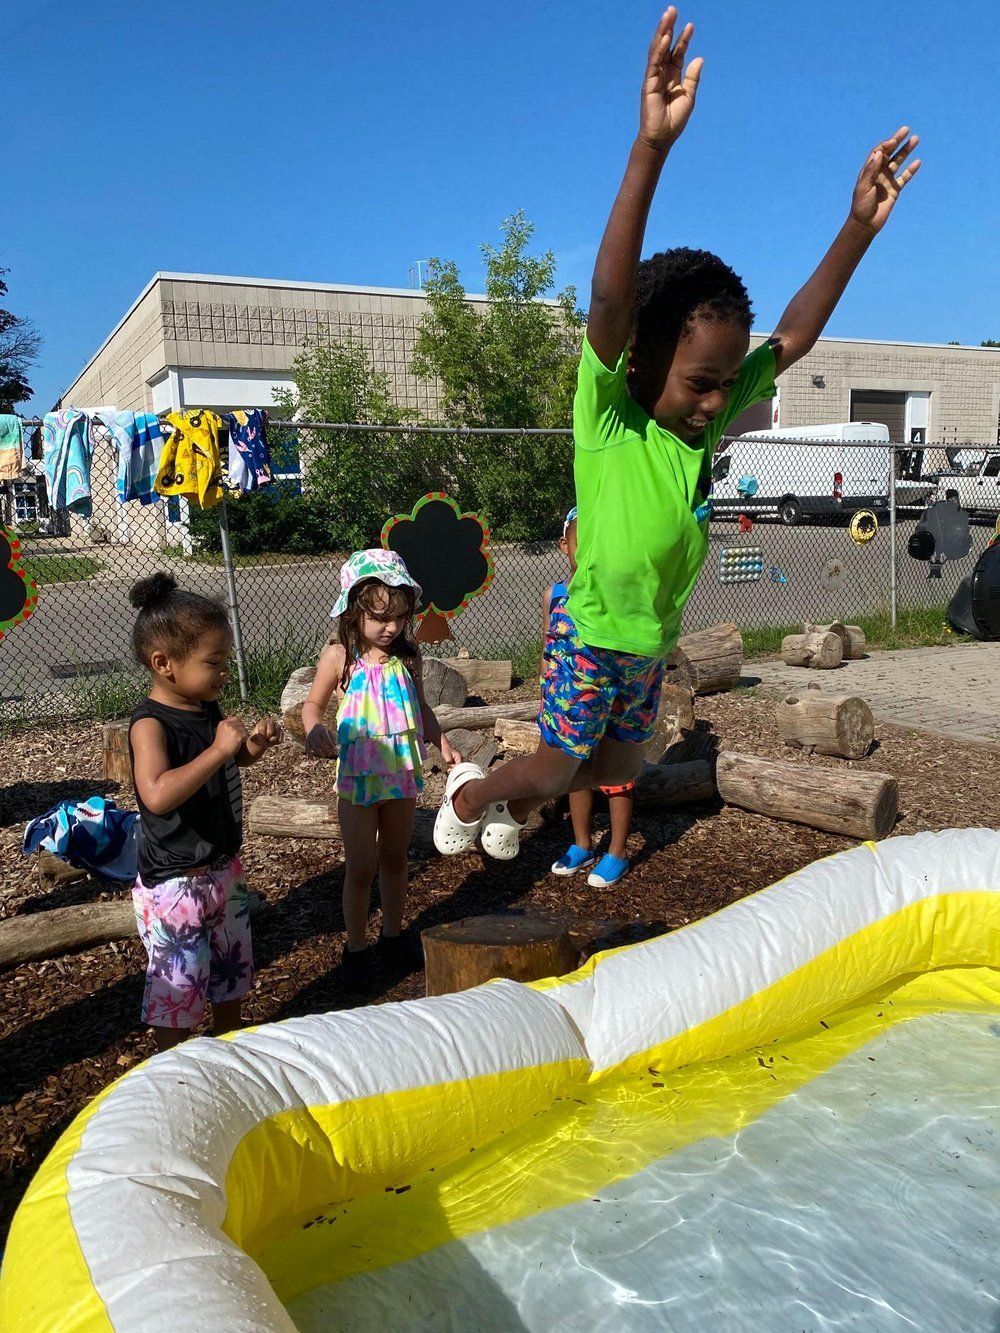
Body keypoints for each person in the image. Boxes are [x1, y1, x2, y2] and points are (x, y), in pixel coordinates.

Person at [434, 5, 920, 862]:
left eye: (727, 385)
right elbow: (612, 302)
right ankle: (474, 788)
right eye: (701, 382)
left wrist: (857, 228)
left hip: (648, 645)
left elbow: (796, 335)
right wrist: (650, 148)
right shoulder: (610, 414)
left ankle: (516, 795)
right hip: (588, 635)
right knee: (553, 771)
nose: (715, 401)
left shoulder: (706, 423)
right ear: (642, 364)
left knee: (625, 763)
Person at [127, 572, 282, 1052]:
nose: (223, 672)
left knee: (229, 970)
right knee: (179, 984)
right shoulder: (150, 725)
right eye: (213, 662)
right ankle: (173, 1065)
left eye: (225, 659)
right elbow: (156, 794)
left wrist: (252, 743)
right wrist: (217, 751)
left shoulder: (204, 707)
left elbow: (230, 760)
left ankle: (228, 1046)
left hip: (220, 870)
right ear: (164, 664)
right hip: (176, 883)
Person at [302, 549, 462, 985]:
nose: (391, 627)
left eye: (399, 616)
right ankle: (355, 946)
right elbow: (312, 704)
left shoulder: (408, 658)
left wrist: (442, 740)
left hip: (400, 775)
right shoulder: (340, 657)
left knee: (394, 858)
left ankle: (392, 935)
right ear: (354, 613)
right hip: (356, 778)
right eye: (380, 618)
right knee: (360, 866)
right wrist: (314, 726)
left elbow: (423, 708)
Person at [547, 507, 635, 887]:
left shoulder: (615, 594)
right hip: (569, 700)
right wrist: (545, 685)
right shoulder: (555, 594)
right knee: (575, 769)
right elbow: (548, 645)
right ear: (564, 545)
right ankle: (582, 843)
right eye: (581, 542)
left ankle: (617, 850)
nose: (589, 550)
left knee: (616, 774)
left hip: (612, 697)